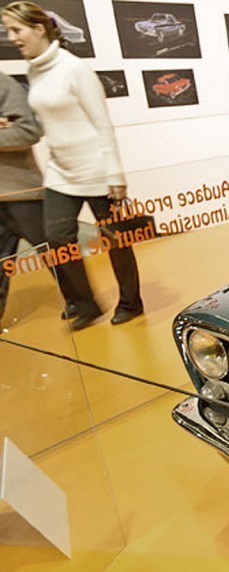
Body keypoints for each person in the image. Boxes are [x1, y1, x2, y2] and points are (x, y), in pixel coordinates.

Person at [3, 1, 143, 329]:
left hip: (96, 170)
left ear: (38, 29)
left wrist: (115, 173)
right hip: (60, 172)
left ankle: (130, 302)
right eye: (8, 31)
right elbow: (40, 122)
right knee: (56, 238)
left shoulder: (75, 69)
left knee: (116, 240)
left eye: (16, 30)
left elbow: (102, 123)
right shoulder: (34, 70)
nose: (11, 38)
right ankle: (85, 302)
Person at [0, 70, 46, 330]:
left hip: (22, 192)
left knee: (56, 254)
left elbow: (28, 131)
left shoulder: (3, 84)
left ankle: (85, 304)